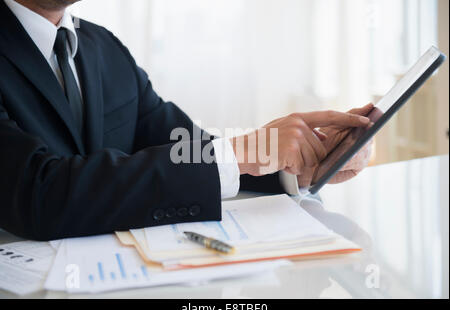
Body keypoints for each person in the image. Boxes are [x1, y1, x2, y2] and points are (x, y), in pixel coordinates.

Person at [0, 0, 372, 241]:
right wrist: (238, 152)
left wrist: (293, 166)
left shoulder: (104, 47)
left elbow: (186, 148)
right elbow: (39, 192)